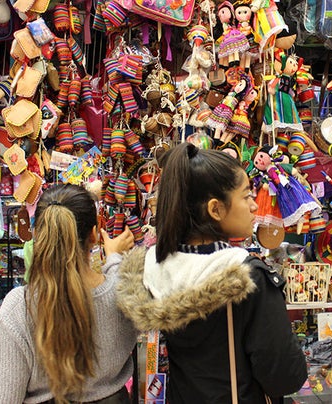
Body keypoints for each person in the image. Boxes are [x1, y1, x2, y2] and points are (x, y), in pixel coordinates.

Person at [117, 143, 307, 403]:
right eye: (245, 195)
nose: (253, 206)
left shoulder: (148, 270)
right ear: (215, 209)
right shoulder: (246, 278)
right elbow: (284, 376)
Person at [0, 184, 137, 403]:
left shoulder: (20, 307)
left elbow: (3, 398)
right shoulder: (124, 292)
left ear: (38, 235)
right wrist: (114, 258)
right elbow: (115, 284)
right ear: (94, 234)